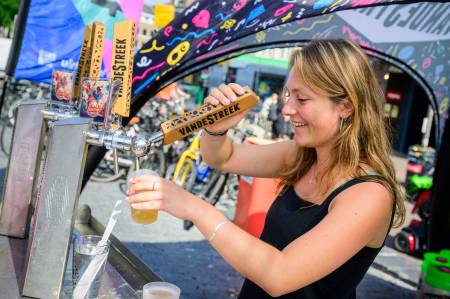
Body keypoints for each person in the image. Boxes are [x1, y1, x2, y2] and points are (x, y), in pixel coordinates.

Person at [127, 39, 405, 298]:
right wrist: (215, 129)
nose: (287, 109)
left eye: (302, 99)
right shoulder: (303, 155)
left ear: (345, 106)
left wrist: (193, 207)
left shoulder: (369, 194)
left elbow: (279, 275)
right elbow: (223, 158)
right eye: (288, 95)